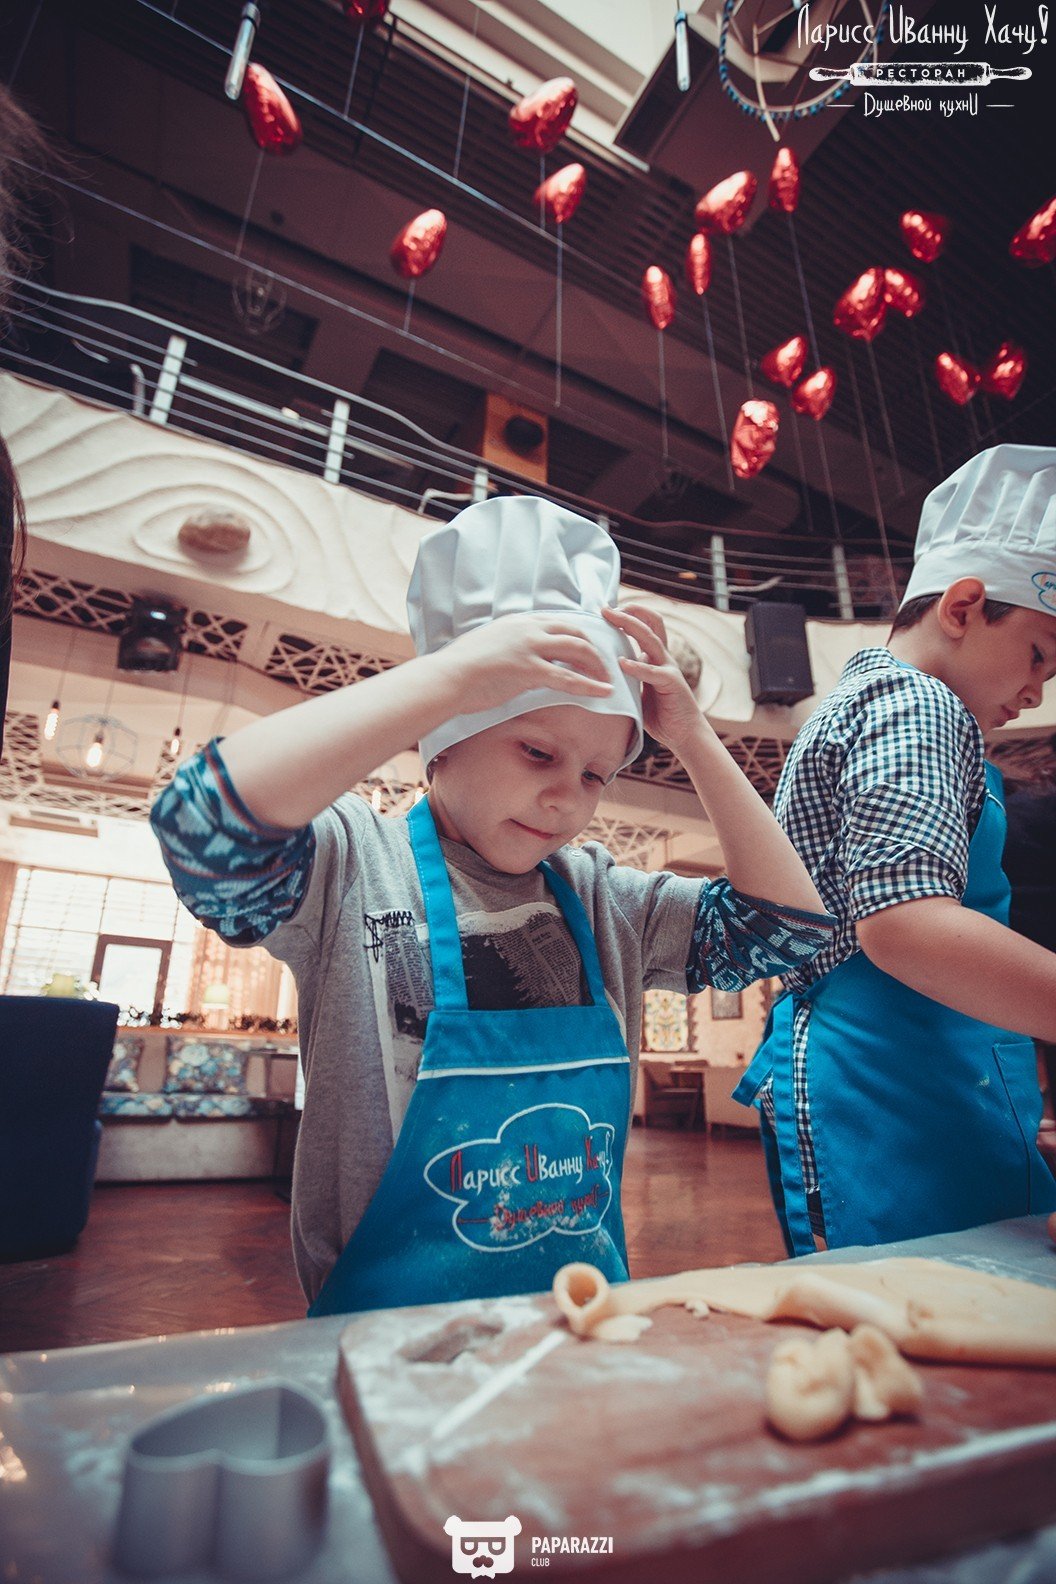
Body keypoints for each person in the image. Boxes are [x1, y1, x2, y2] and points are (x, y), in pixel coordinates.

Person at [151, 496, 833, 1315]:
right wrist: (452, 676)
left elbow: (791, 933)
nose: (566, 797)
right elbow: (201, 825)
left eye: (595, 775)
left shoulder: (603, 898)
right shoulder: (352, 867)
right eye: (537, 751)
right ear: (446, 732)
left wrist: (692, 736)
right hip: (383, 1333)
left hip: (578, 1324)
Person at [735, 445, 1056, 1256]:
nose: (1036, 692)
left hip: (911, 1066)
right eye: (1038, 654)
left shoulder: (871, 701)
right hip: (892, 1076)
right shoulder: (917, 704)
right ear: (964, 606)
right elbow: (905, 926)